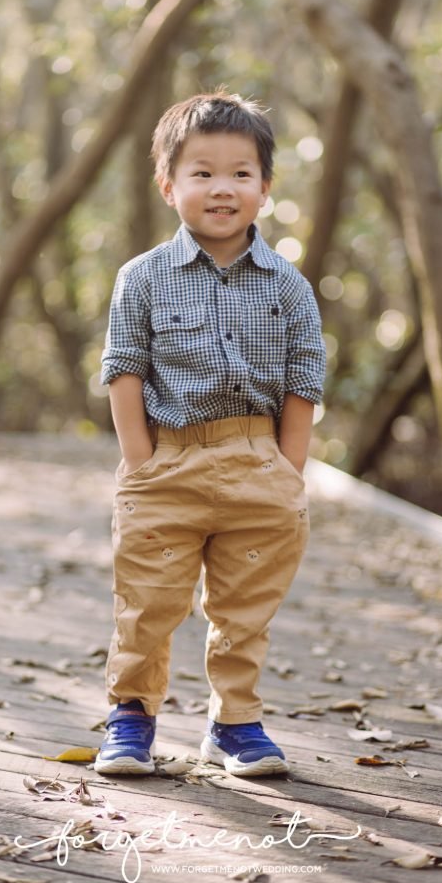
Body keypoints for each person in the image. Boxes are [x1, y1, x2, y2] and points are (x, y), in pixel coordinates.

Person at [95, 90, 325, 777]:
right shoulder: (141, 279)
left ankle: (234, 723)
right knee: (148, 600)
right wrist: (140, 463)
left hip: (259, 464)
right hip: (167, 462)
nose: (221, 187)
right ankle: (130, 717)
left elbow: (302, 382)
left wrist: (286, 470)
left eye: (239, 173)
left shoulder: (288, 287)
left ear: (264, 187)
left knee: (244, 607)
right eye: (201, 172)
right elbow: (124, 371)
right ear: (168, 185)